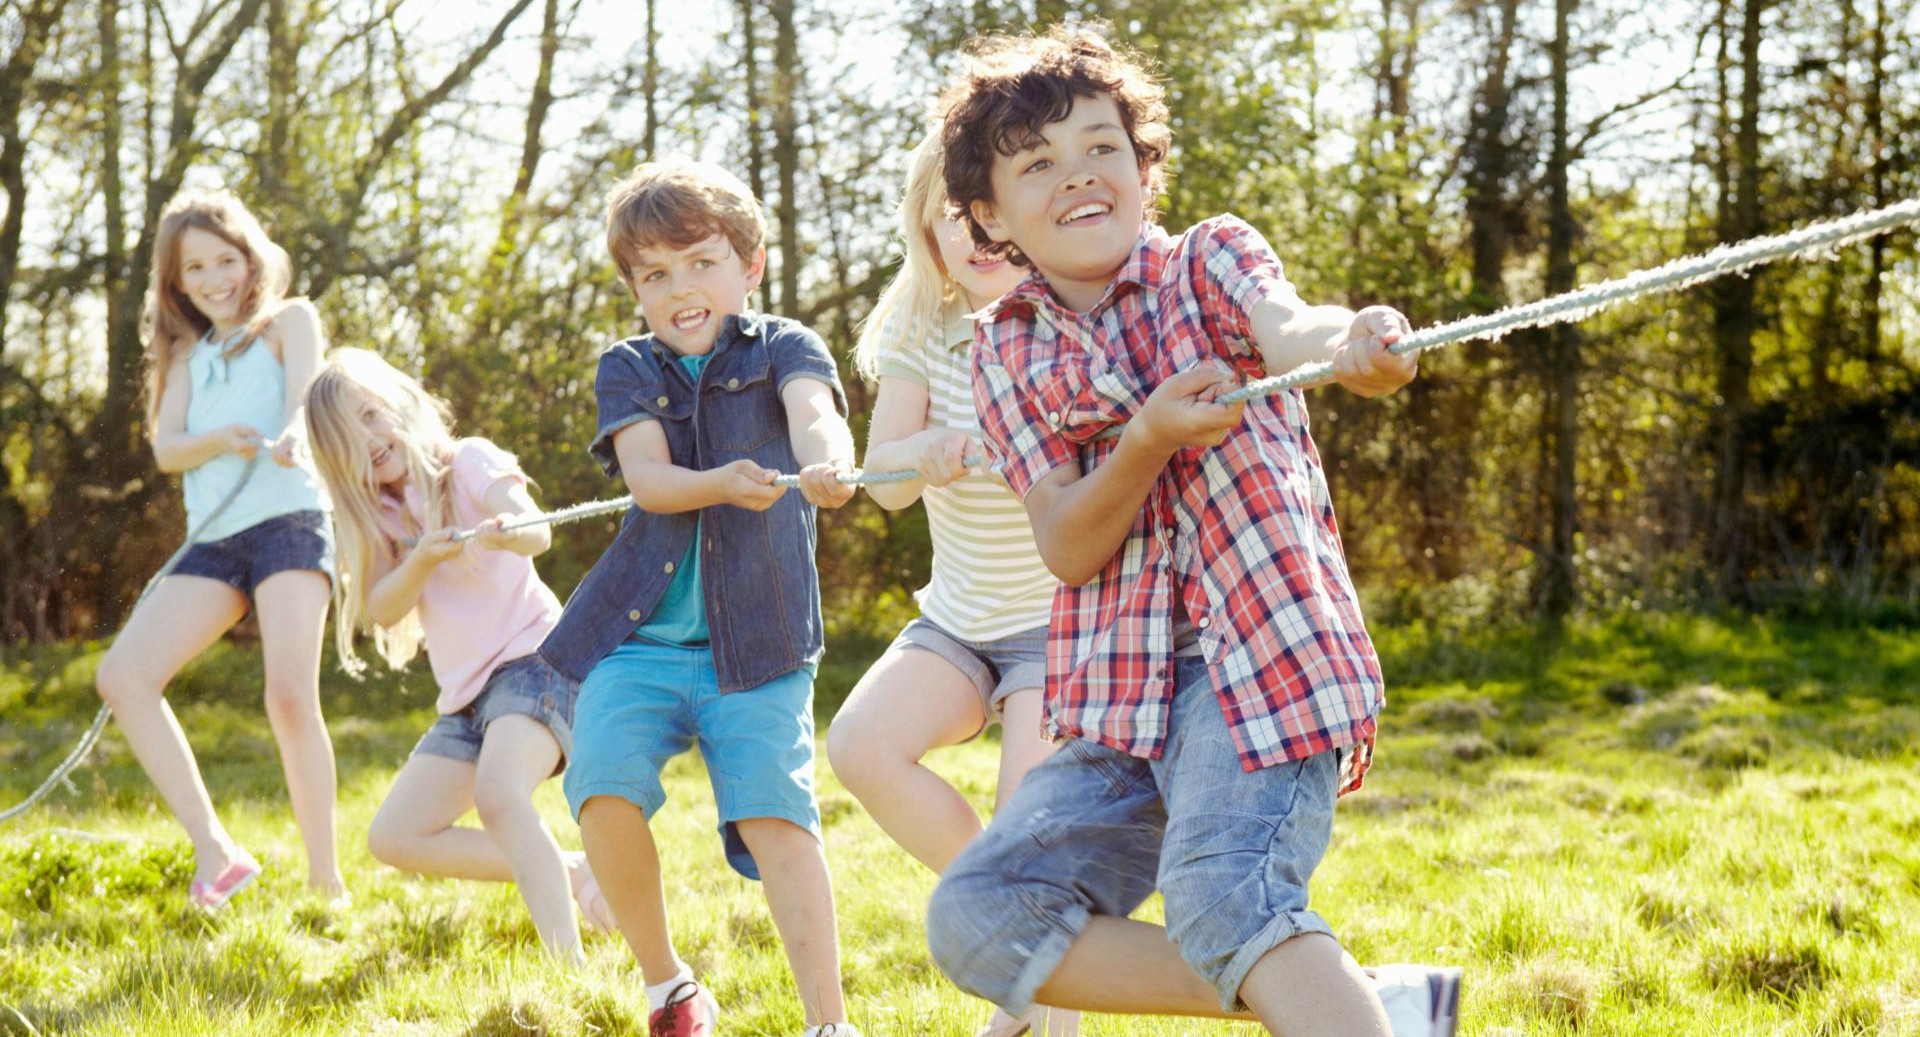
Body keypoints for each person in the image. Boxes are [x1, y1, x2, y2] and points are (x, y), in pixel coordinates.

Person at [922, 26, 1462, 1037]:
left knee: (1224, 895)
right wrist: (1144, 441)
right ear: (990, 214)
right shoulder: (1005, 350)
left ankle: (1316, 988)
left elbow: (1286, 322)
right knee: (976, 915)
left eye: (1100, 148)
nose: (1079, 176)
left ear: (1143, 164)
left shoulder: (1207, 261)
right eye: (1038, 164)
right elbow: (1068, 544)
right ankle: (1346, 997)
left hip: (1259, 657)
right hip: (1124, 698)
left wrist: (1346, 340)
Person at [539, 158, 862, 1037]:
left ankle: (829, 1022)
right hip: (635, 640)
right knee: (601, 788)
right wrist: (719, 478)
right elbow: (648, 479)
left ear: (749, 264)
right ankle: (668, 983)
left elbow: (814, 413)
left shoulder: (787, 345)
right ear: (634, 289)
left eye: (702, 261)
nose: (682, 288)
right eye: (655, 273)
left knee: (776, 820)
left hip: (757, 643)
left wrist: (826, 461)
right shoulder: (627, 366)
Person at [826, 133, 1074, 1037]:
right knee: (859, 744)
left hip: (1061, 626)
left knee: (1034, 836)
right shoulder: (920, 328)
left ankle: (1038, 985)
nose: (970, 235)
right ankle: (1005, 909)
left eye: (985, 216)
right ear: (926, 228)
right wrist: (919, 453)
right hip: (960, 623)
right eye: (949, 217)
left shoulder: (1067, 314)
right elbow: (883, 487)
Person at [304, 347, 613, 962]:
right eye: (347, 437)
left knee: (502, 796)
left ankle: (567, 967)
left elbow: (537, 529)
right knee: (396, 836)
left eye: (370, 415)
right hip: (469, 698)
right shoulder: (382, 516)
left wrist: (507, 527)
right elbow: (383, 609)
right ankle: (573, 873)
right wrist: (419, 558)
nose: (367, 439)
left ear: (400, 403)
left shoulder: (465, 461)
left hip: (536, 663)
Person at [94, 190, 342, 908]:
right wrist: (220, 436)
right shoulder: (180, 352)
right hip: (212, 540)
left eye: (225, 259)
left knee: (291, 698)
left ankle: (326, 880)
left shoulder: (287, 322)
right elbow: (168, 450)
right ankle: (216, 849)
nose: (213, 278)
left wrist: (296, 433)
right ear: (175, 281)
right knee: (123, 676)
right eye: (194, 267)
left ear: (250, 255)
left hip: (289, 521)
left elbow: (305, 395)